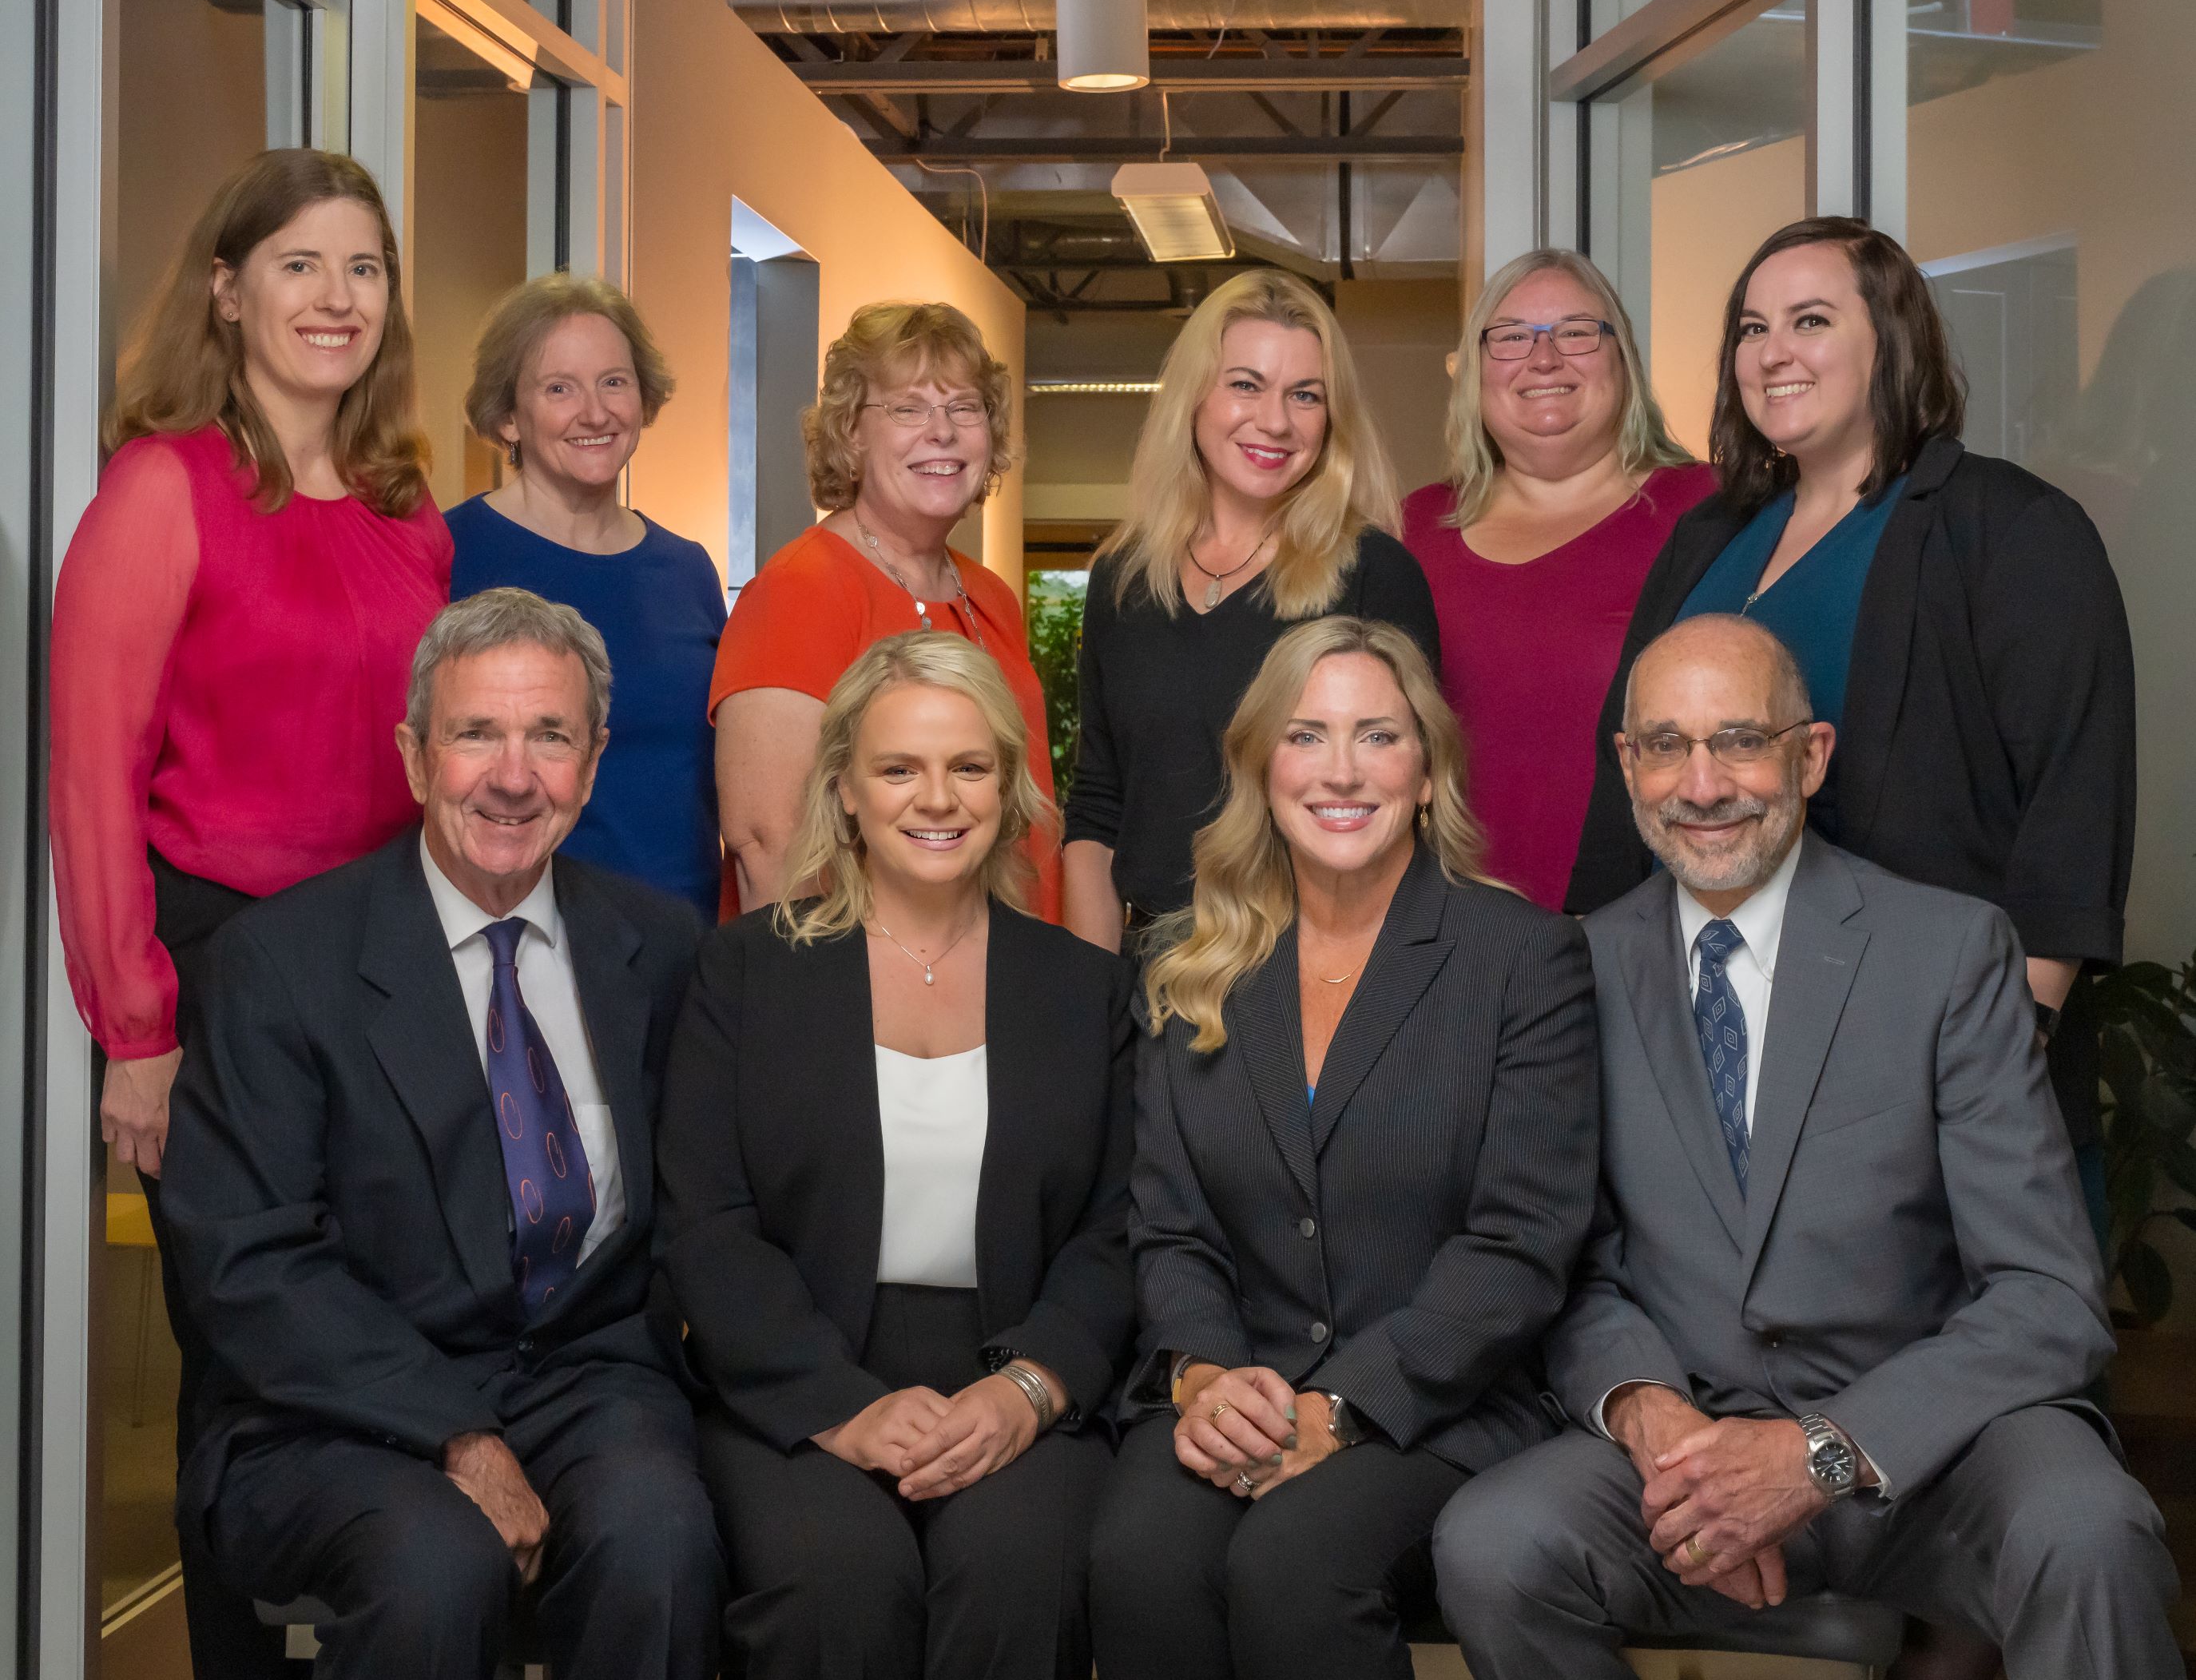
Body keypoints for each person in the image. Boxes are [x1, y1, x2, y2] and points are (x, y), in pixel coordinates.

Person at [1434, 614, 2179, 1679]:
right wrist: (1652, 1415)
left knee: (2089, 1527)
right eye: (1664, 745)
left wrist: (1817, 1452)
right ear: (1626, 764)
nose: (1701, 784)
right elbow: (1569, 1262)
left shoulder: (1950, 949)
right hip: (1686, 1449)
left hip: (1940, 1455)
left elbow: (2044, 1289)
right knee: (1494, 1540)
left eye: (1738, 739)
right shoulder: (1572, 968)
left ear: (1810, 752)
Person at [160, 590, 724, 1680]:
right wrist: (456, 1435)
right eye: (477, 734)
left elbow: (697, 1211)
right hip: (326, 1406)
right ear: (416, 756)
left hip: (585, 1384)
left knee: (661, 1539)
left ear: (593, 761)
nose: (514, 776)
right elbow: (247, 1261)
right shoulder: (278, 962)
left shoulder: (656, 947)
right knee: (437, 1564)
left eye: (549, 736)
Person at [48, 146, 448, 1678]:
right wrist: (135, 1024)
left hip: (390, 964)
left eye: (363, 269)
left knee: (390, 1334)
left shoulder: (413, 513)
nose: (336, 298)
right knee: (248, 1362)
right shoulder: (164, 486)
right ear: (225, 289)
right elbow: (94, 773)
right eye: (300, 265)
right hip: (225, 969)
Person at [1568, 217, 2136, 1225]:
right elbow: (1634, 782)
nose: (1772, 351)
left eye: (1811, 320)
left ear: (1891, 340)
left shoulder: (2007, 528)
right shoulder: (1709, 534)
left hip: (1922, 1045)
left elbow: (2073, 799)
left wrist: (2007, 1050)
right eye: (1752, 327)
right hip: (1702, 1037)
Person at [1088, 617, 1600, 1680]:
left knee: (1293, 1561)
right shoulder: (1186, 961)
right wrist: (1205, 1374)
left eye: (1377, 736)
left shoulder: (1523, 958)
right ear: (1259, 766)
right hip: (1236, 1378)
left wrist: (1346, 1403)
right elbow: (1168, 1220)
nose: (1340, 770)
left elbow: (1521, 1238)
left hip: (1438, 1399)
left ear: (1426, 771)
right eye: (1306, 734)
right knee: (1139, 1557)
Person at [660, 631, 1132, 1678]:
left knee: (1019, 1565)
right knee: (835, 1574)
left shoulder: (1083, 986)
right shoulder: (746, 968)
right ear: (845, 786)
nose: (938, 796)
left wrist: (1030, 1388)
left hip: (1018, 1371)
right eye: (899, 767)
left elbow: (1117, 1226)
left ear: (1009, 787)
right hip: (794, 1367)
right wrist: (842, 1403)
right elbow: (706, 1221)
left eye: (969, 765)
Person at [1062, 269, 1441, 955]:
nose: (1275, 420)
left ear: (1331, 420)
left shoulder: (1373, 574)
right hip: (1149, 971)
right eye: (1245, 384)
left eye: (1305, 395)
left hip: (1312, 965)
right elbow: (1097, 806)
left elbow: (1408, 801)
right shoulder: (1122, 579)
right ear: (1193, 397)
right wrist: (1092, 999)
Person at [711, 301, 1060, 919]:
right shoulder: (800, 589)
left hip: (1003, 964)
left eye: (964, 407)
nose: (942, 431)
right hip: (863, 987)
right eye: (908, 408)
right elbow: (772, 854)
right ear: (850, 431)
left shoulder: (990, 596)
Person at [1401, 248, 1714, 911]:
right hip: (1444, 926)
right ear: (1476, 371)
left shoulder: (1710, 510)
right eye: (1511, 337)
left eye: (1576, 332)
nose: (1543, 360)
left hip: (1647, 925)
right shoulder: (1413, 528)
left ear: (1620, 358)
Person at [448, 274, 725, 920]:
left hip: (682, 939)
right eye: (558, 388)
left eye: (614, 381)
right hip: (514, 939)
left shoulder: (686, 570)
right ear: (508, 416)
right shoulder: (447, 553)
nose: (595, 412)